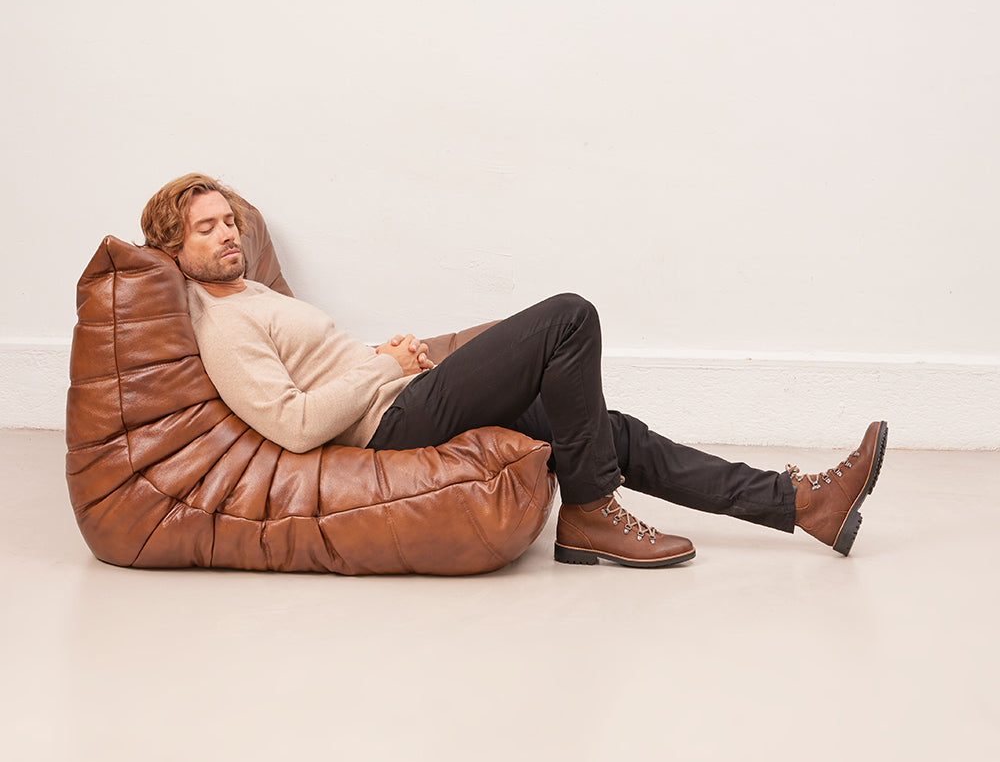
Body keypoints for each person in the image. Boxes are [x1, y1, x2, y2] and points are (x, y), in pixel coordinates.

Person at [140, 173, 889, 570]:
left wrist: (380, 359)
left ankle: (801, 504)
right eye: (207, 229)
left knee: (607, 431)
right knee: (569, 317)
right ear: (173, 248)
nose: (228, 234)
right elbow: (295, 424)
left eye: (229, 221)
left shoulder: (252, 292)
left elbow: (317, 367)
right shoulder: (221, 324)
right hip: (389, 424)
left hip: (398, 392)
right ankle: (591, 513)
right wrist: (382, 371)